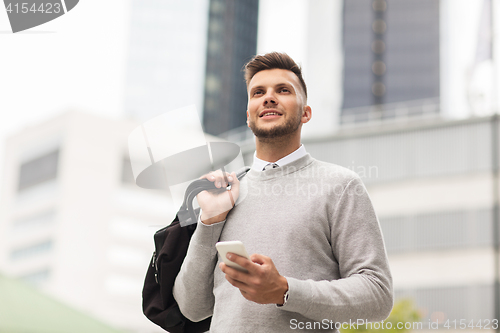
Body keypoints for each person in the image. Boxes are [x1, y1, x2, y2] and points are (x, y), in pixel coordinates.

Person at [173, 52, 393, 332]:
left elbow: (378, 295)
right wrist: (210, 220)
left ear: (305, 113)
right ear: (249, 116)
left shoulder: (340, 185)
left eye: (283, 90)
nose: (268, 97)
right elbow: (192, 309)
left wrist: (285, 291)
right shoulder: (224, 194)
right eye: (258, 92)